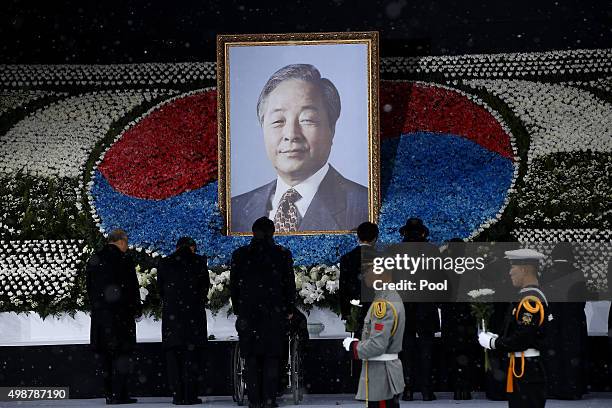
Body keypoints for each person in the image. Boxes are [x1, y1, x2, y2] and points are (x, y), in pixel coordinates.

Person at [231, 63, 368, 233]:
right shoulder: (233, 211)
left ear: (331, 129)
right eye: (278, 121)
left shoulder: (366, 207)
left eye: (307, 119)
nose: (291, 134)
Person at [230, 217, 296, 408]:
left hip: (248, 313)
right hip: (274, 313)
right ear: (273, 232)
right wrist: (289, 309)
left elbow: (234, 286)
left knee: (250, 356)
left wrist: (238, 309)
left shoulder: (240, 255)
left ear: (253, 232)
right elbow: (289, 285)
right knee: (271, 357)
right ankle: (269, 398)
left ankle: (254, 399)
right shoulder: (282, 254)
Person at [478, 248, 551, 408]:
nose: (510, 272)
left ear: (524, 269)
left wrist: (493, 343)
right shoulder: (526, 296)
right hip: (522, 367)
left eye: (513, 267)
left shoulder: (530, 300)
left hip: (527, 369)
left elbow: (522, 339)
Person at [86, 229, 141, 405]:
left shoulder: (95, 259)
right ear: (122, 241)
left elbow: (89, 287)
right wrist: (136, 309)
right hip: (120, 317)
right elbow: (132, 288)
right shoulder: (124, 259)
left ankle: (109, 394)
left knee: (105, 358)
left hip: (101, 319)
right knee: (121, 357)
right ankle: (120, 394)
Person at [343, 265, 405, 408]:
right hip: (383, 370)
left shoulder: (383, 304)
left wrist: (353, 346)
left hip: (381, 373)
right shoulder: (386, 297)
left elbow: (378, 345)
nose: (365, 276)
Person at [157, 236, 209, 405]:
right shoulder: (199, 262)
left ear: (177, 247)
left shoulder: (165, 263)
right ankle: (190, 395)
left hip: (172, 318)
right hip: (193, 317)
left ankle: (177, 395)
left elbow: (161, 290)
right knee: (191, 357)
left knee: (173, 358)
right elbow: (204, 289)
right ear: (192, 247)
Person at [397, 218, 440, 401]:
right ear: (423, 233)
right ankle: (426, 390)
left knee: (406, 350)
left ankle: (407, 388)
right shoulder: (431, 250)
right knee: (426, 351)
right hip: (426, 305)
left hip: (405, 306)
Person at [541, 243, 588, 400]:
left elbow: (542, 298)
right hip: (572, 321)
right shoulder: (577, 273)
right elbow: (582, 299)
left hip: (552, 320)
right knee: (572, 353)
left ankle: (554, 387)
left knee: (553, 352)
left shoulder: (547, 273)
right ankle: (572, 387)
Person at [439, 238, 476, 400]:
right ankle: (465, 387)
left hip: (450, 314)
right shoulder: (470, 266)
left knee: (453, 352)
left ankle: (456, 387)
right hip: (467, 314)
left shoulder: (444, 267)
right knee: (466, 351)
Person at [339, 221, 379, 335]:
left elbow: (343, 287)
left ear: (358, 237)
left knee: (358, 344)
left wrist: (346, 312)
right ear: (375, 238)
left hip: (355, 309)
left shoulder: (346, 258)